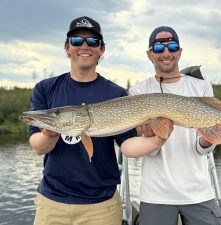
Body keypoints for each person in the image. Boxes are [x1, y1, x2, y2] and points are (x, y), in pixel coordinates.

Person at [29, 17, 172, 225]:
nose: (84, 46)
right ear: (67, 47)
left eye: (93, 42)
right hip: (52, 203)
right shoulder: (46, 88)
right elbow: (38, 147)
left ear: (101, 49)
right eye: (77, 41)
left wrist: (158, 140)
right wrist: (49, 133)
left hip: (101, 207)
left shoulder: (116, 93)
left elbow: (127, 146)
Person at [129, 26, 221, 225]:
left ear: (180, 52)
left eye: (172, 47)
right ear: (150, 55)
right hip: (156, 194)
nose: (166, 53)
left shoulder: (200, 86)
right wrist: (152, 136)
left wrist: (209, 138)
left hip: (198, 192)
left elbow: (202, 148)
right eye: (159, 48)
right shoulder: (139, 91)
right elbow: (149, 152)